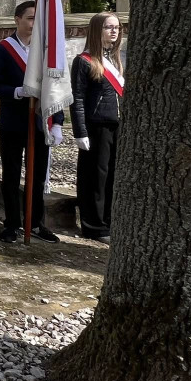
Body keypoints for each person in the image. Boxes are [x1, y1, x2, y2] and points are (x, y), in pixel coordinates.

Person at [0, 1, 64, 244]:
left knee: (38, 175)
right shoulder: (2, 49)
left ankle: (36, 222)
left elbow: (57, 88)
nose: (34, 23)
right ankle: (12, 223)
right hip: (13, 121)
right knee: (11, 175)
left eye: (37, 19)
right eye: (30, 18)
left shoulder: (46, 50)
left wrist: (58, 122)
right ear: (17, 19)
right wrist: (19, 91)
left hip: (41, 121)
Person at [71, 12, 124, 244]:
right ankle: (94, 226)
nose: (114, 31)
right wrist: (80, 131)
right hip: (96, 127)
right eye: (108, 27)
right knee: (96, 177)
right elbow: (78, 98)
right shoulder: (83, 61)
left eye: (117, 27)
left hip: (117, 125)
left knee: (113, 176)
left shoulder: (116, 59)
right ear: (96, 30)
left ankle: (110, 221)